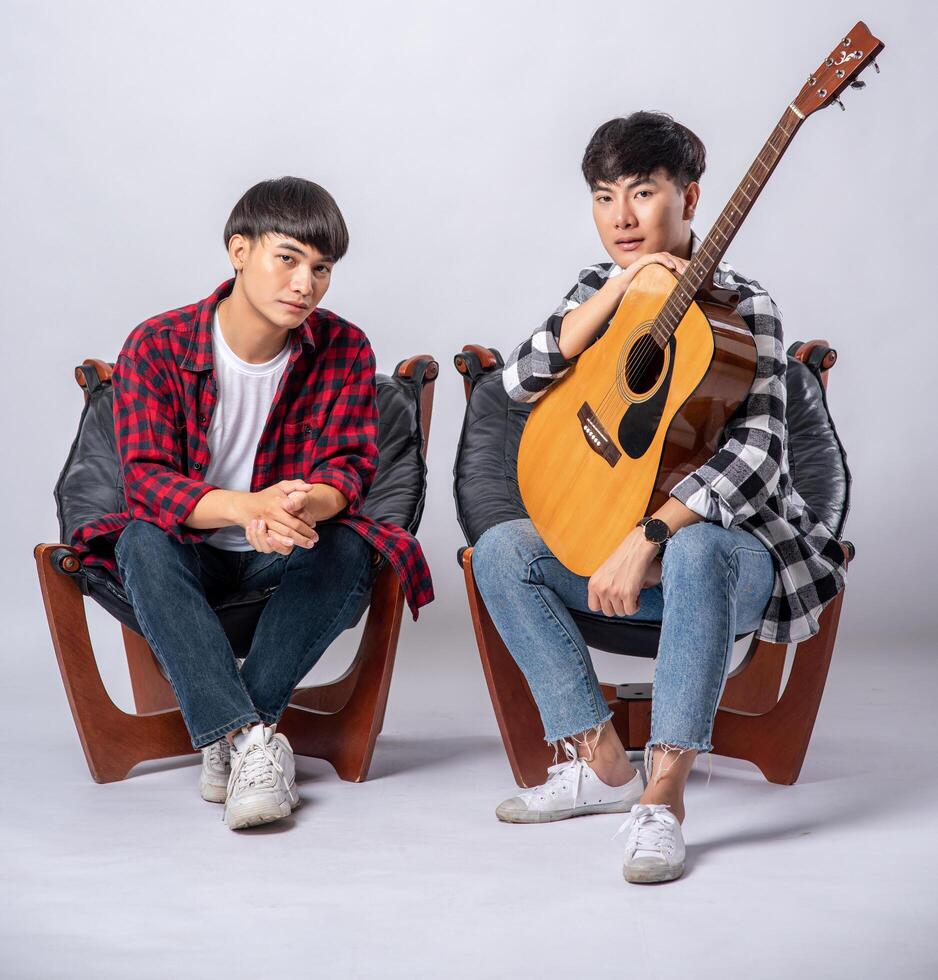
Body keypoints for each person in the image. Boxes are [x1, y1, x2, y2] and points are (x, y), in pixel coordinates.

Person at [471, 112, 847, 883]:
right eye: (605, 196)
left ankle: (663, 797)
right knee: (505, 549)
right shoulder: (595, 287)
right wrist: (620, 291)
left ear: (691, 197)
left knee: (701, 546)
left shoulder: (746, 306)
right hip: (611, 557)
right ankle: (598, 757)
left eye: (643, 193)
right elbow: (515, 381)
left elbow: (760, 454)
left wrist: (648, 536)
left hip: (724, 562)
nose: (623, 216)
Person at [71, 177, 433, 830]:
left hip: (286, 551)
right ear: (240, 250)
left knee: (354, 539)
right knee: (140, 539)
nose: (306, 283)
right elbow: (147, 483)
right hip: (188, 550)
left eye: (321, 269)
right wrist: (248, 509)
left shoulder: (344, 347)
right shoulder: (158, 343)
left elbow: (348, 471)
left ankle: (235, 739)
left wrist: (302, 506)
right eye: (287, 258)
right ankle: (252, 738)